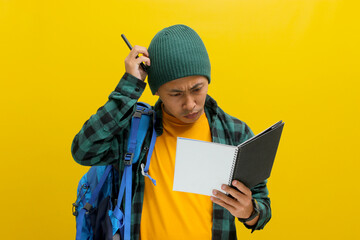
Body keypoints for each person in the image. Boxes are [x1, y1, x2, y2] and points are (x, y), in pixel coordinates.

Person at [71, 24, 271, 240]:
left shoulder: (235, 133)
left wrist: (249, 211)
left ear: (208, 81)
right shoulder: (135, 131)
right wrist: (129, 87)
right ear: (157, 92)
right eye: (175, 94)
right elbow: (83, 150)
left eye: (197, 89)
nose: (190, 104)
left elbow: (262, 211)